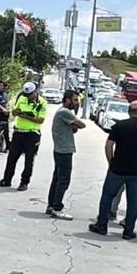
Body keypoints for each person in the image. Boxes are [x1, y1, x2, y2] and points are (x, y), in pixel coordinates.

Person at [89, 101, 137, 239]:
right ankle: (128, 231)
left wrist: (111, 161)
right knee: (133, 201)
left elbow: (109, 145)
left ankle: (102, 225)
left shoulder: (119, 126)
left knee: (108, 195)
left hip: (117, 169)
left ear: (128, 112)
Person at [0, 81, 47, 191]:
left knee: (29, 160)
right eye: (26, 95)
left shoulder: (42, 103)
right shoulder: (22, 98)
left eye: (30, 95)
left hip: (32, 134)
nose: (28, 97)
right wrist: (16, 111)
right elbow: (13, 113)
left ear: (35, 92)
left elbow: (40, 120)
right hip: (19, 133)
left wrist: (26, 116)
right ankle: (6, 180)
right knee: (11, 158)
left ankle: (24, 182)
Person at [46, 89, 87, 220]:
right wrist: (75, 116)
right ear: (67, 100)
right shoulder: (65, 112)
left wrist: (74, 120)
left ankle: (51, 205)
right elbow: (82, 125)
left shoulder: (64, 112)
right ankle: (57, 207)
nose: (76, 103)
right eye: (75, 100)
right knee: (63, 180)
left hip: (60, 149)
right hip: (64, 151)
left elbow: (74, 129)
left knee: (57, 179)